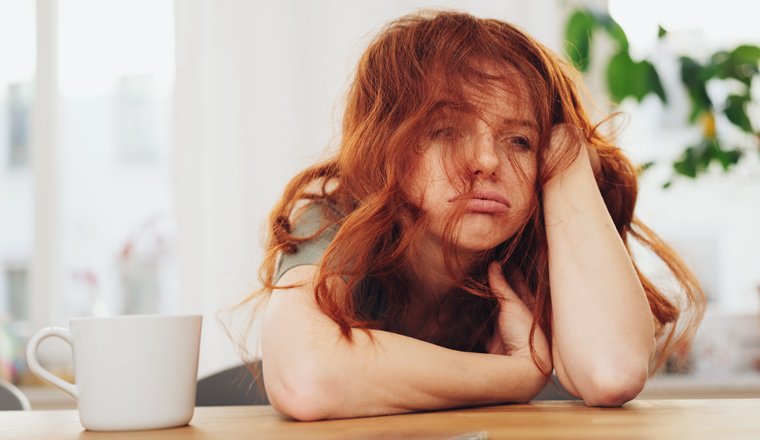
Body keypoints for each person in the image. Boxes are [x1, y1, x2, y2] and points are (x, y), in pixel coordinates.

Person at [243, 10, 705, 421]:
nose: (487, 160)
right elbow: (305, 376)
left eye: (520, 140)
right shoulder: (336, 217)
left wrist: (567, 154)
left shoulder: (538, 235)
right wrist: (515, 374)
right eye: (446, 130)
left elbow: (613, 372)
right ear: (387, 148)